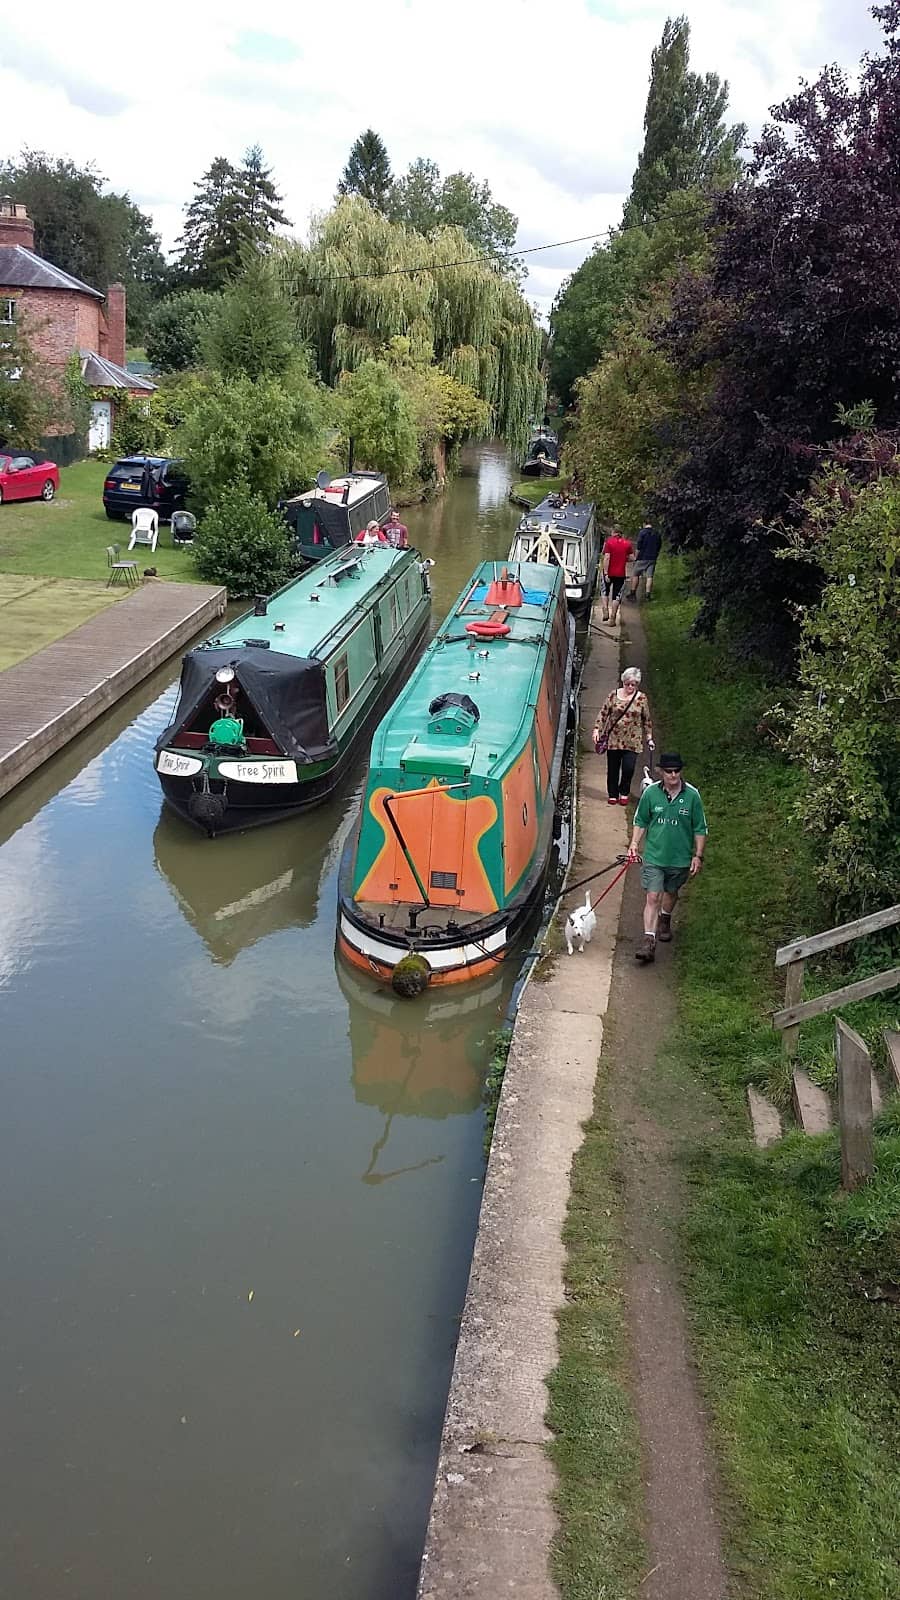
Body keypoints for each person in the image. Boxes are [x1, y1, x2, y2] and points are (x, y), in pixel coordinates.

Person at [626, 752, 707, 964]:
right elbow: (641, 820)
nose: (673, 775)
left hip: (679, 859)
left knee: (671, 892)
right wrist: (634, 844)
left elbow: (700, 827)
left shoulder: (692, 796)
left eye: (676, 771)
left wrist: (698, 855)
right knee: (652, 896)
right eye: (669, 771)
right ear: (661, 772)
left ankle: (665, 917)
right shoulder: (651, 794)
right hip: (654, 856)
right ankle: (648, 941)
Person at [592, 667, 654, 806]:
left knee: (629, 768)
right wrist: (597, 729)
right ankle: (613, 793)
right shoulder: (613, 695)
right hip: (614, 739)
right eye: (627, 684)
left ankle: (624, 791)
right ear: (623, 682)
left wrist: (649, 737)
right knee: (613, 768)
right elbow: (603, 713)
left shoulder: (642, 698)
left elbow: (647, 719)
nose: (630, 687)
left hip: (632, 741)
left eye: (634, 684)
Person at [600, 526, 634, 624]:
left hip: (608, 572)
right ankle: (612, 618)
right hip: (620, 574)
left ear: (613, 532)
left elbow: (606, 558)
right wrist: (624, 559)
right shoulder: (627, 544)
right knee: (616, 596)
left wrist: (606, 573)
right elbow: (632, 558)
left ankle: (605, 609)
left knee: (604, 591)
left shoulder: (608, 542)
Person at [627, 523, 662, 602]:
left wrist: (636, 557)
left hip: (642, 558)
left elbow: (639, 546)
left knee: (635, 574)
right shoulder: (657, 533)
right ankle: (648, 595)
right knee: (650, 576)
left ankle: (633, 594)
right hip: (652, 558)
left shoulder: (642, 533)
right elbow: (659, 545)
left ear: (644, 524)